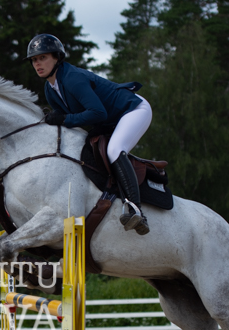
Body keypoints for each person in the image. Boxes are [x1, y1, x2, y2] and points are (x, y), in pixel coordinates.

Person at [26, 33, 152, 235]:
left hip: (132, 110)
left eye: (43, 57)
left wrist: (64, 119)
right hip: (109, 121)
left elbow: (97, 113)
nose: (37, 64)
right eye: (34, 60)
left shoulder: (72, 78)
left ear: (57, 58)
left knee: (114, 150)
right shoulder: (50, 89)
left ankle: (135, 210)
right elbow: (71, 120)